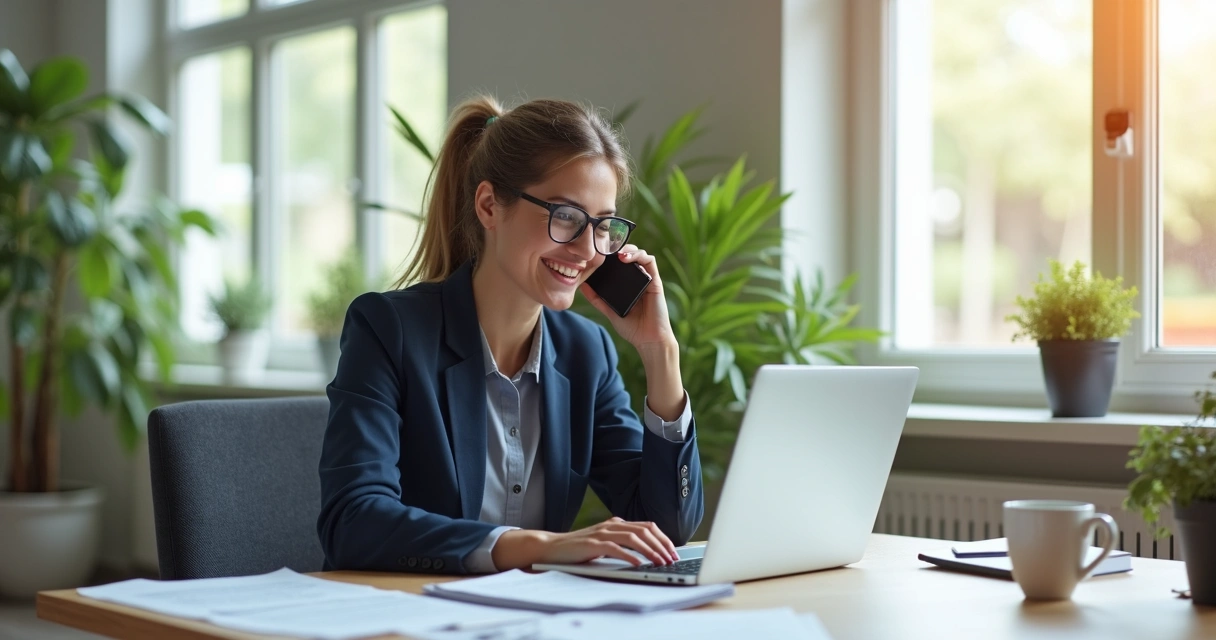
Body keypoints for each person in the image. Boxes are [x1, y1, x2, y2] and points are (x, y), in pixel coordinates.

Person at [316, 96, 704, 575]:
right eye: (565, 215)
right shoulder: (389, 331)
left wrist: (660, 353)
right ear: (488, 206)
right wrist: (536, 546)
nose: (587, 249)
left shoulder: (587, 353)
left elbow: (667, 527)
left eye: (603, 225)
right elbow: (352, 522)